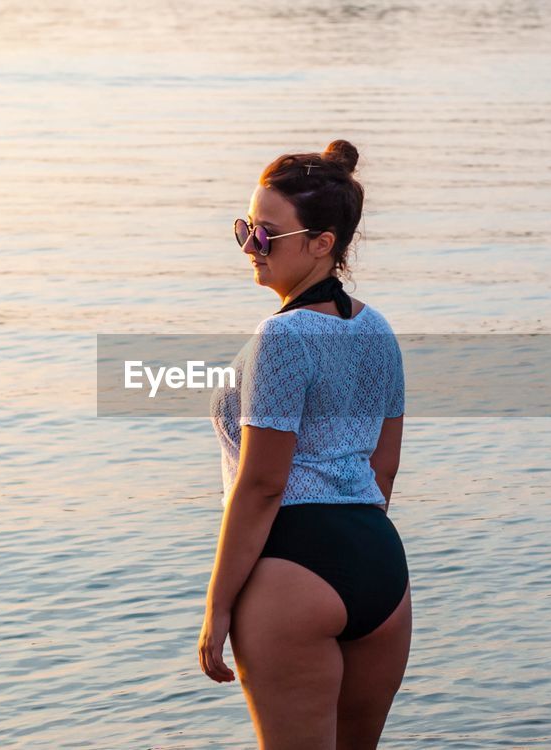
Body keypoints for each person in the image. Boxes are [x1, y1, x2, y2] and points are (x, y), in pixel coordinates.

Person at [202, 139, 411, 749]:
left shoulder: (281, 338)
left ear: (323, 244)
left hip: (293, 568)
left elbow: (263, 484)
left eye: (267, 236)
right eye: (245, 228)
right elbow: (385, 468)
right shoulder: (378, 330)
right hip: (380, 568)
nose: (250, 249)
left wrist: (217, 609)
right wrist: (353, 554)